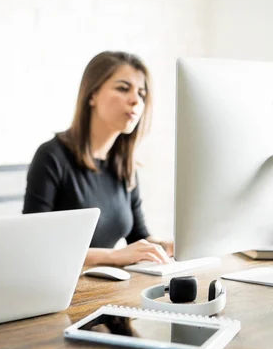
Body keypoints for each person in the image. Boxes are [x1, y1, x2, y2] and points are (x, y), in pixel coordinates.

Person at [23, 51, 172, 267]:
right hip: (60, 290)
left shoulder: (125, 165)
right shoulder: (51, 156)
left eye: (141, 93)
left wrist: (164, 246)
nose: (135, 101)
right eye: (123, 88)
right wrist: (113, 256)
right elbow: (34, 246)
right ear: (92, 94)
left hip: (105, 287)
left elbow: (138, 236)